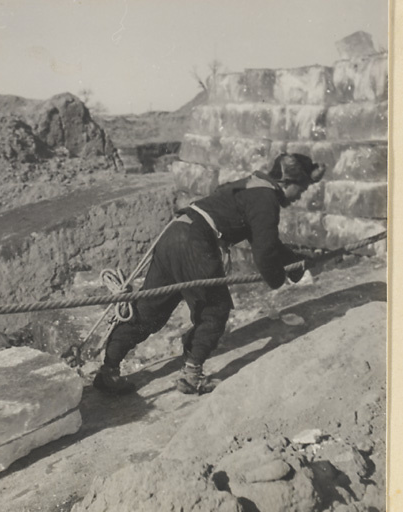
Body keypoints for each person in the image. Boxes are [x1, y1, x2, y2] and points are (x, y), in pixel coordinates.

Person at [93, 153, 326, 396]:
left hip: (175, 234)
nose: (301, 195)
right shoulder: (266, 199)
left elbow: (267, 242)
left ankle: (109, 369)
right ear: (287, 182)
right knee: (215, 309)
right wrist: (279, 279)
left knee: (149, 310)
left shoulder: (251, 185)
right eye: (302, 188)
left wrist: (296, 263)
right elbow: (265, 252)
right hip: (194, 243)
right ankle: (191, 375)